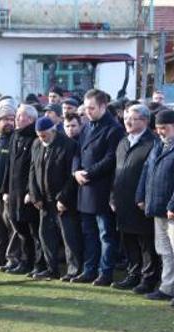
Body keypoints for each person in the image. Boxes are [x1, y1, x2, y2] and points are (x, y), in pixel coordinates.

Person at [137, 109, 174, 304]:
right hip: (157, 207)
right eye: (158, 128)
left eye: (164, 128)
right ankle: (167, 286)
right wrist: (141, 195)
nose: (160, 132)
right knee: (164, 250)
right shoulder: (159, 144)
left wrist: (173, 205)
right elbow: (148, 169)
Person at [71, 89, 125, 285]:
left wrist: (88, 173)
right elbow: (77, 152)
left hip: (101, 188)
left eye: (91, 108)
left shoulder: (114, 129)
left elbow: (111, 158)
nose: (87, 112)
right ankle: (89, 269)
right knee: (88, 234)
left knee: (106, 235)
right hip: (84, 187)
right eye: (86, 108)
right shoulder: (86, 127)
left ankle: (105, 272)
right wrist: (75, 171)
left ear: (103, 106)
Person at [109, 104, 158, 293]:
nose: (128, 121)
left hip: (140, 202)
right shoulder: (123, 142)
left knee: (145, 242)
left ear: (145, 121)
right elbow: (116, 172)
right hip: (122, 200)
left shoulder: (152, 143)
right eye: (126, 117)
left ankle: (148, 279)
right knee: (128, 240)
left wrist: (144, 197)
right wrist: (112, 196)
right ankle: (133, 274)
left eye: (133, 118)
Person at [29, 116, 81, 279]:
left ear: (52, 131)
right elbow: (32, 170)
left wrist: (63, 199)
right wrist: (34, 194)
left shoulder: (68, 145)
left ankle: (74, 270)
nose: (41, 138)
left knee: (69, 237)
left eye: (44, 135)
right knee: (45, 236)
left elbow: (71, 176)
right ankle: (51, 269)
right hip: (43, 201)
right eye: (39, 135)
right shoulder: (36, 144)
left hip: (62, 201)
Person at [2, 104, 44, 277]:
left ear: (32, 119)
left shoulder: (35, 139)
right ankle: (24, 261)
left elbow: (35, 169)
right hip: (13, 192)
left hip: (27, 194)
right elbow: (9, 165)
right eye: (17, 116)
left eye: (21, 116)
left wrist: (31, 192)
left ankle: (38, 264)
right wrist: (4, 189)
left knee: (33, 231)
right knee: (20, 230)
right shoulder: (14, 137)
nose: (17, 119)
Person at [0, 105, 19, 271]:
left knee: (12, 227)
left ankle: (12, 258)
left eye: (11, 119)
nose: (9, 122)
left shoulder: (15, 139)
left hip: (7, 193)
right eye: (5, 119)